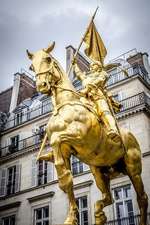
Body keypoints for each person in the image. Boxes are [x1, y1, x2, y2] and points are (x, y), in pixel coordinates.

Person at [73, 60, 121, 142]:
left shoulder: (103, 73)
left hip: (98, 97)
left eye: (93, 65)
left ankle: (113, 129)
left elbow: (99, 81)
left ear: (98, 66)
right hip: (87, 97)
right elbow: (79, 74)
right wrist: (74, 65)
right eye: (90, 66)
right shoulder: (87, 77)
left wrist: (87, 89)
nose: (91, 67)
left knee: (104, 112)